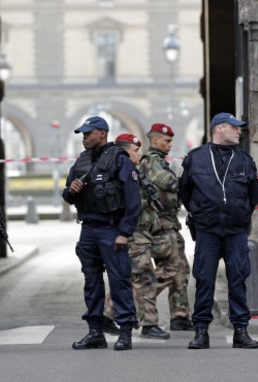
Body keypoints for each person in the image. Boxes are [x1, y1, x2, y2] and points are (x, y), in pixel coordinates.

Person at [179, 112, 258, 349]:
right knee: (204, 279)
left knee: (238, 278)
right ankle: (201, 331)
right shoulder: (196, 158)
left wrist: (242, 213)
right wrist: (199, 212)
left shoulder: (245, 159)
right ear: (220, 129)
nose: (240, 132)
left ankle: (241, 331)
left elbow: (253, 193)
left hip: (235, 230)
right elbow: (185, 191)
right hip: (207, 230)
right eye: (235, 128)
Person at [62, 116, 140, 351]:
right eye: (83, 134)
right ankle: (95, 332)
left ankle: (125, 331)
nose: (84, 137)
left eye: (88, 133)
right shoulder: (81, 161)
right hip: (89, 229)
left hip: (112, 228)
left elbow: (133, 200)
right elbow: (67, 196)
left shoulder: (120, 159)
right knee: (91, 281)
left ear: (103, 133)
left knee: (119, 281)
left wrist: (124, 232)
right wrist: (71, 190)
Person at [104, 133, 171, 339]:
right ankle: (149, 324)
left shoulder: (133, 171)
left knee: (128, 278)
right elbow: (129, 204)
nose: (139, 154)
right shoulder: (122, 172)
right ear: (124, 152)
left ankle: (106, 315)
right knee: (144, 279)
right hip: (134, 235)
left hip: (141, 234)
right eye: (135, 150)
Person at [141, 123, 193, 331]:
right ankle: (137, 300)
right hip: (160, 225)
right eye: (167, 141)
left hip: (170, 223)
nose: (170, 145)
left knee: (181, 270)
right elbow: (171, 184)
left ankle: (180, 316)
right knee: (169, 270)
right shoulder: (151, 162)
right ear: (155, 141)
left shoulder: (161, 162)